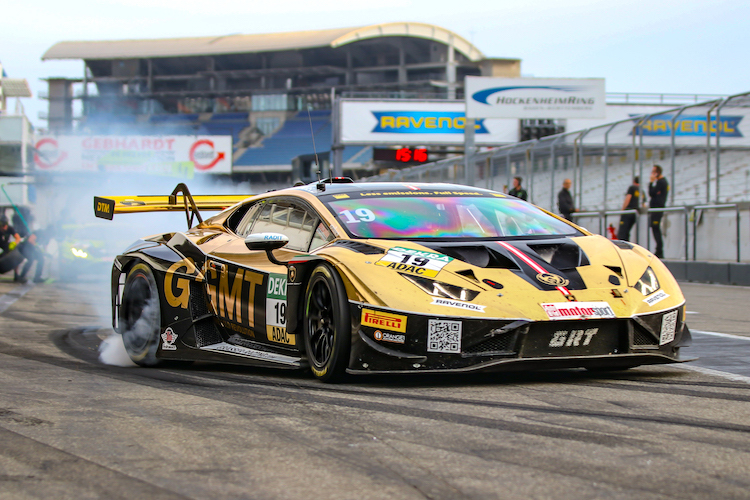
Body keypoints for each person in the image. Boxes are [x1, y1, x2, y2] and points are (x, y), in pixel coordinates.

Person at [648, 165, 669, 258]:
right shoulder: (661, 182)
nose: (652, 174)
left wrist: (651, 182)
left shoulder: (662, 182)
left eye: (653, 172)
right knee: (654, 228)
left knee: (655, 227)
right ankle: (659, 249)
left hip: (657, 208)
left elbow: (652, 193)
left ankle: (659, 250)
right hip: (656, 208)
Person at [617, 176, 640, 241]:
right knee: (627, 232)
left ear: (634, 181)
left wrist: (622, 210)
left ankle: (622, 249)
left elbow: (628, 198)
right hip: (635, 213)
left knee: (622, 233)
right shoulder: (641, 190)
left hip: (628, 212)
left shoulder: (632, 188)